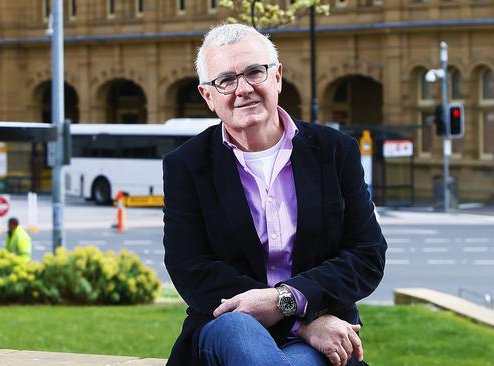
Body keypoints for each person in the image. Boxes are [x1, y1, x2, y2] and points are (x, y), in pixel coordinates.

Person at [163, 23, 387, 366]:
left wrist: (289, 301)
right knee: (238, 328)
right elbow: (190, 268)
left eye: (255, 72)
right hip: (227, 327)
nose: (243, 89)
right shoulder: (186, 165)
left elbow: (366, 255)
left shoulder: (334, 151)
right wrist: (303, 321)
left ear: (277, 77)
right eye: (225, 80)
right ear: (208, 96)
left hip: (321, 334)